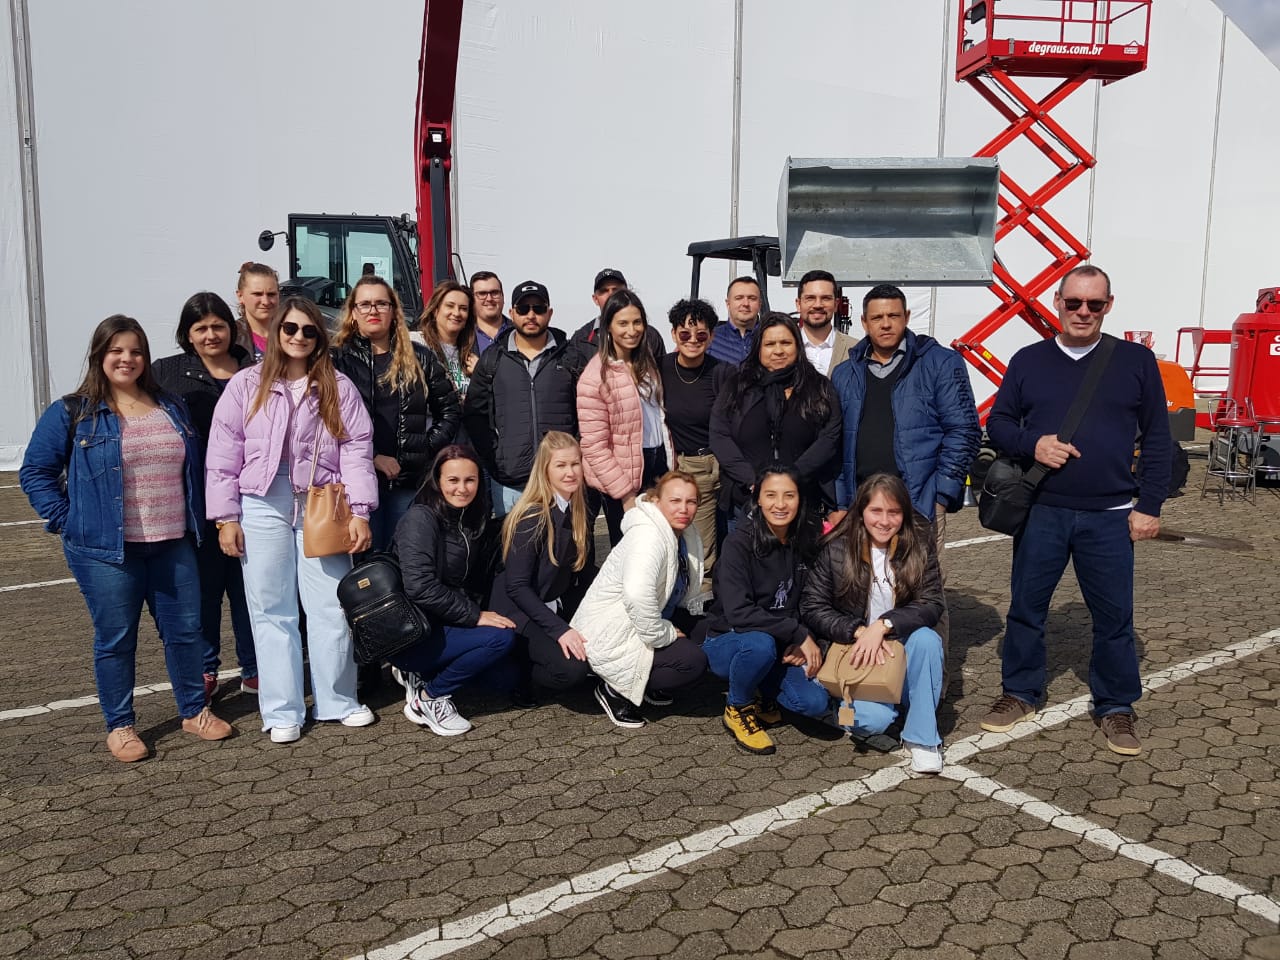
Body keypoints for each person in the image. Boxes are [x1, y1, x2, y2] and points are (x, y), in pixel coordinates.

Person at [19, 315, 233, 762]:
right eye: (116, 350)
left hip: (172, 542)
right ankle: (120, 725)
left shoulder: (170, 405)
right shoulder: (73, 411)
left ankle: (194, 711)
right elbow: (36, 472)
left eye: (135, 351)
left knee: (186, 633)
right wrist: (67, 519)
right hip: (106, 552)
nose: (126, 359)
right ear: (99, 355)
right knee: (116, 639)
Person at [981, 264, 1171, 757]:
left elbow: (1157, 438)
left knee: (1114, 617)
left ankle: (1116, 705)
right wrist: (1034, 444)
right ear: (1058, 303)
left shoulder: (1135, 361)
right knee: (1026, 608)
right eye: (1073, 302)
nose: (1083, 312)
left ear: (1109, 306)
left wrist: (1149, 505)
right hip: (1042, 510)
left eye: (1094, 304)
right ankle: (1020, 691)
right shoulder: (1029, 360)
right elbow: (998, 423)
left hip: (1111, 514)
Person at [207, 297, 378, 744]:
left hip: (322, 501)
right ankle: (282, 711)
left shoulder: (338, 386)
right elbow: (223, 453)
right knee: (271, 609)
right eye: (290, 329)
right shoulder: (247, 384)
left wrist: (360, 511)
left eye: (308, 330)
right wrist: (226, 517)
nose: (299, 337)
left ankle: (337, 700)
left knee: (330, 606)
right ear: (276, 332)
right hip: (261, 502)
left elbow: (357, 450)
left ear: (319, 337)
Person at [829, 282, 981, 688]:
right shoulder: (846, 372)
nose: (885, 324)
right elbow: (836, 442)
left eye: (893, 316)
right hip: (862, 507)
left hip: (918, 502)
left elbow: (964, 428)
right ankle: (874, 681)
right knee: (864, 591)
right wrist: (842, 501)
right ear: (864, 323)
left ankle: (929, 685)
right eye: (877, 317)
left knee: (925, 596)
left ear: (907, 318)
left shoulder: (939, 363)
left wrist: (942, 493)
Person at [801, 473, 947, 773]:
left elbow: (932, 603)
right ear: (861, 511)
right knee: (869, 722)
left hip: (900, 642)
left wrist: (883, 626)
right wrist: (857, 631)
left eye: (894, 512)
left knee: (928, 639)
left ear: (904, 514)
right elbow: (812, 606)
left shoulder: (919, 545)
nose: (884, 521)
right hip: (856, 648)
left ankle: (922, 738)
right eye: (876, 511)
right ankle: (861, 701)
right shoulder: (837, 548)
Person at [153, 292, 258, 699]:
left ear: (232, 329)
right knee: (205, 591)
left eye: (218, 326)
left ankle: (254, 667)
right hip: (196, 501)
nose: (211, 335)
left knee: (250, 589)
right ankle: (205, 668)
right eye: (201, 328)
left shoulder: (255, 369)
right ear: (188, 334)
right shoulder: (167, 373)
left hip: (251, 497)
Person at [700, 466, 830, 755]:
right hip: (730, 641)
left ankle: (760, 692)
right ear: (757, 498)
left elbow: (813, 602)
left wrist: (806, 637)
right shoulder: (738, 543)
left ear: (800, 499)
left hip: (779, 644)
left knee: (813, 703)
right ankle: (738, 707)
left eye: (789, 495)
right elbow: (739, 613)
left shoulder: (805, 540)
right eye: (770, 495)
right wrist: (797, 633)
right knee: (759, 645)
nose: (780, 504)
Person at [387, 446, 515, 736]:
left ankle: (420, 673)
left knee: (505, 679)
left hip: (444, 623)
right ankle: (428, 699)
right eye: (453, 480)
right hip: (413, 633)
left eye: (470, 480)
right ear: (437, 480)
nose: (462, 488)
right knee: (499, 640)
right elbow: (420, 586)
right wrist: (475, 616)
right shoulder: (420, 519)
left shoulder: (470, 518)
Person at [570, 471, 709, 727]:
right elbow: (637, 595)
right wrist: (664, 634)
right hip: (613, 631)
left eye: (691, 502)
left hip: (648, 619)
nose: (684, 509)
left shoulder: (683, 534)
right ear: (656, 501)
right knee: (692, 662)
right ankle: (614, 690)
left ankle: (647, 683)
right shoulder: (648, 536)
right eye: (675, 501)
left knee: (707, 632)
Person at [332, 275, 460, 551]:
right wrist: (373, 456)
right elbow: (327, 420)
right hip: (356, 484)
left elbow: (449, 410)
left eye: (381, 303)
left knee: (406, 558)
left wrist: (423, 449)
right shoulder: (337, 360)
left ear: (393, 311)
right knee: (367, 563)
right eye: (365, 304)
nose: (373, 310)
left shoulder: (420, 357)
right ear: (353, 312)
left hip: (407, 482)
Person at [710, 313, 843, 523]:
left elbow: (829, 437)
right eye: (770, 344)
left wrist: (791, 478)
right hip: (747, 501)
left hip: (803, 502)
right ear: (758, 348)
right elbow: (719, 435)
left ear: (797, 346)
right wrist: (753, 480)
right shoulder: (737, 386)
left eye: (785, 343)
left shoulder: (818, 387)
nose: (778, 350)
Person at [463, 281, 579, 516]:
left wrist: (576, 451)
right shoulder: (493, 359)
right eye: (524, 309)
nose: (531, 315)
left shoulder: (570, 356)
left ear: (549, 313)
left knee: (566, 540)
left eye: (538, 308)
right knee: (514, 540)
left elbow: (587, 411)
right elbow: (475, 414)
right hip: (511, 483)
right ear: (512, 313)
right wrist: (495, 458)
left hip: (561, 480)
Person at [491, 431, 594, 698]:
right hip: (518, 613)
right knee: (572, 670)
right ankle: (520, 674)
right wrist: (560, 630)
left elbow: (583, 574)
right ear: (545, 470)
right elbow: (517, 587)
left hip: (551, 602)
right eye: (560, 465)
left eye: (575, 463)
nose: (570, 472)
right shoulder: (532, 516)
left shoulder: (578, 510)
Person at [576, 289, 673, 546]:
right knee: (633, 550)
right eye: (623, 323)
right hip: (624, 478)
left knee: (663, 544)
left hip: (657, 464)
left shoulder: (646, 363)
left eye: (637, 322)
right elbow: (594, 447)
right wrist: (625, 494)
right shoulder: (595, 376)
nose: (632, 330)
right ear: (608, 326)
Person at [659, 298, 733, 581]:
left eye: (701, 335)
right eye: (684, 334)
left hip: (711, 465)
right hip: (673, 465)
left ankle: (700, 599)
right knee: (670, 542)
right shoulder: (660, 368)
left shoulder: (723, 372)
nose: (692, 340)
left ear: (711, 336)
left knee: (700, 548)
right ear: (673, 334)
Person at [567, 268, 665, 373]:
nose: (611, 295)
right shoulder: (581, 339)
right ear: (595, 299)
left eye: (616, 289)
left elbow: (663, 375)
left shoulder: (650, 335)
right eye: (604, 291)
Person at [420, 280, 479, 399]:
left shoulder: (471, 353)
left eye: (463, 308)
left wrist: (479, 374)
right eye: (450, 306)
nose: (457, 313)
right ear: (435, 310)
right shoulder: (418, 344)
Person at [794, 270, 858, 377]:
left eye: (826, 298)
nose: (818, 305)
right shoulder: (782, 349)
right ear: (798, 304)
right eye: (810, 298)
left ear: (836, 304)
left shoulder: (856, 349)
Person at [707, 275, 762, 366]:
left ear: (760, 304)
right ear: (728, 303)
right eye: (739, 298)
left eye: (752, 298)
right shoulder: (709, 339)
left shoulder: (770, 338)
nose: (745, 304)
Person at [235, 261, 281, 359]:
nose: (266, 301)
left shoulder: (293, 333)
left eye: (271, 294)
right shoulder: (231, 338)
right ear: (240, 296)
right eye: (257, 294)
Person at [470, 271, 512, 354]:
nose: (489, 299)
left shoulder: (519, 332)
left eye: (495, 293)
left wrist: (480, 363)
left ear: (503, 297)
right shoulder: (462, 336)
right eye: (482, 294)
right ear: (472, 299)